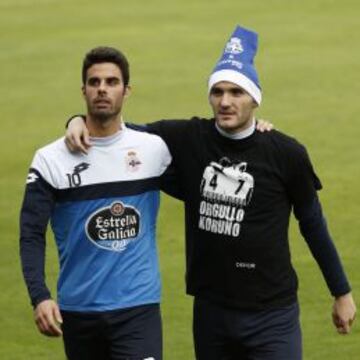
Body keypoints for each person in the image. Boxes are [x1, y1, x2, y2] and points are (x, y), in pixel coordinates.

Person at [65, 26, 356, 359]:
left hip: (273, 315)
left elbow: (312, 223)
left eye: (236, 92)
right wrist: (76, 120)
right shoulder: (188, 138)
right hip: (212, 312)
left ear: (255, 99)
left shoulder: (286, 153)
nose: (225, 101)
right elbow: (118, 131)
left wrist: (341, 292)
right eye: (218, 92)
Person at [19, 46, 179, 360]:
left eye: (111, 82)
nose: (102, 89)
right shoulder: (50, 160)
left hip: (138, 308)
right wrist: (40, 296)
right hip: (79, 311)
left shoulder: (152, 149)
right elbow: (30, 234)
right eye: (94, 82)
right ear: (84, 91)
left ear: (126, 90)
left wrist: (255, 129)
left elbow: (210, 150)